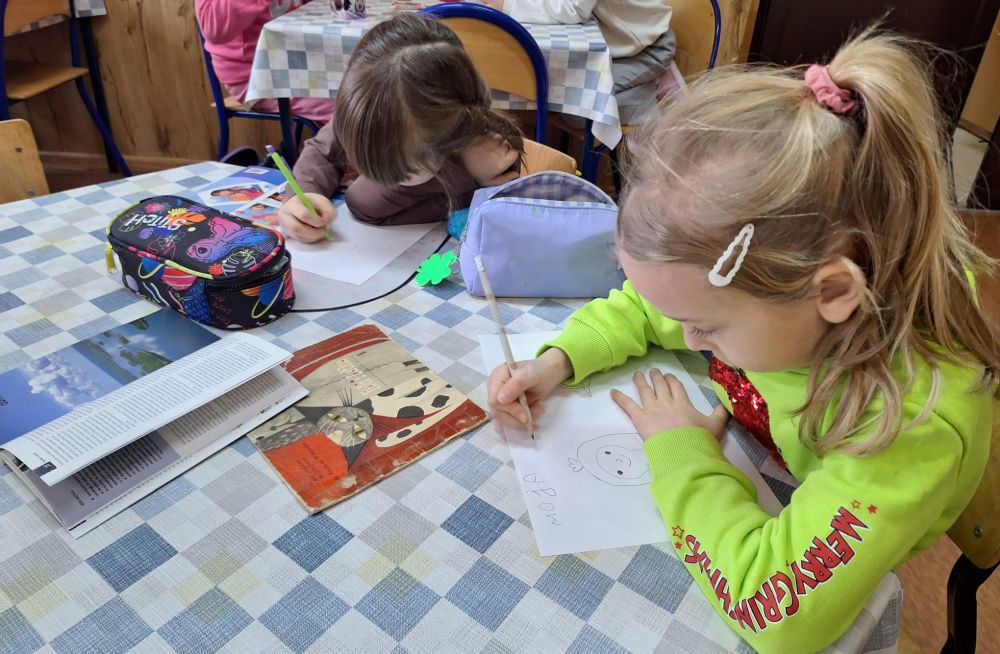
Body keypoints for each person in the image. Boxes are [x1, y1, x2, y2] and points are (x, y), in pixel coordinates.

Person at [487, 29, 998, 652]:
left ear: (834, 292)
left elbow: (776, 616)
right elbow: (653, 309)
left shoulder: (903, 427)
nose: (688, 335)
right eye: (683, 318)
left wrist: (681, 452)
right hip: (784, 466)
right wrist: (560, 360)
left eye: (707, 328)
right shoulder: (778, 297)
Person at [277, 13, 524, 242]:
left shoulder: (489, 155)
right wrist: (301, 196)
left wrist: (470, 179)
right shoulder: (371, 110)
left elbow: (365, 202)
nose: (382, 176)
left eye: (402, 171)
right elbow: (322, 150)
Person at [483, 0, 675, 124]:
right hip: (616, 39)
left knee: (578, 113)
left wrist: (508, 5)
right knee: (555, 98)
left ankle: (653, 98)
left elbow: (574, 8)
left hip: (646, 48)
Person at [195, 0, 336, 124]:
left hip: (302, 59)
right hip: (255, 77)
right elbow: (211, 26)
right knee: (346, 106)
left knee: (349, 85)